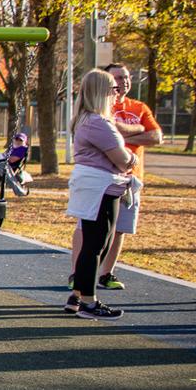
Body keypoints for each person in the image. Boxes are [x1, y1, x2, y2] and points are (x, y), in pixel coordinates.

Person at [64, 69, 138, 320]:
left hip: (95, 185)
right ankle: (88, 301)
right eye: (113, 89)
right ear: (102, 93)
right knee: (96, 245)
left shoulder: (85, 119)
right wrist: (132, 158)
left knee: (94, 243)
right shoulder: (98, 122)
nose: (117, 93)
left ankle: (77, 296)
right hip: (101, 187)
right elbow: (122, 159)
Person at [83, 62, 162, 290]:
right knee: (92, 229)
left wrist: (126, 134)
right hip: (103, 176)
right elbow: (108, 130)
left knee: (120, 228)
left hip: (130, 177)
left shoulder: (139, 107)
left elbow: (156, 137)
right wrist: (137, 131)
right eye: (117, 78)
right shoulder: (100, 108)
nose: (123, 82)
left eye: (126, 77)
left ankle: (106, 273)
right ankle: (80, 276)